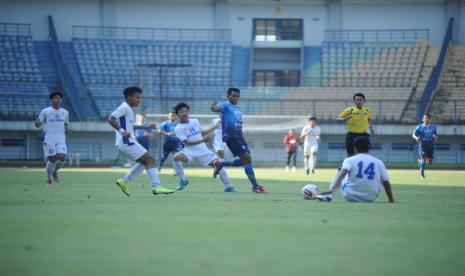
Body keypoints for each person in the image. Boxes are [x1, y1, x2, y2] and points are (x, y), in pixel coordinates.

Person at [107, 86, 174, 196]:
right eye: (137, 97)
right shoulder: (124, 107)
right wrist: (122, 131)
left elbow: (130, 126)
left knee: (145, 162)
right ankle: (156, 186)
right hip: (126, 141)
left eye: (140, 97)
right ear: (129, 97)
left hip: (126, 142)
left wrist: (146, 127)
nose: (139, 100)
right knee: (150, 160)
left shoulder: (128, 110)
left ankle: (124, 181)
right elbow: (110, 119)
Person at [211, 87, 267, 194]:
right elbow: (216, 108)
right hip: (231, 136)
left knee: (246, 160)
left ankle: (221, 164)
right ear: (228, 96)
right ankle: (255, 186)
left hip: (239, 136)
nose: (236, 98)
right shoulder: (225, 105)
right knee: (247, 158)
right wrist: (213, 107)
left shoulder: (236, 108)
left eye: (238, 96)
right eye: (233, 96)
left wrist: (242, 137)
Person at [172, 102, 237, 192]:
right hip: (189, 151)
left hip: (203, 151)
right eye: (181, 112)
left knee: (218, 165)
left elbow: (203, 133)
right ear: (177, 114)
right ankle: (183, 180)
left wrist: (215, 127)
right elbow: (187, 142)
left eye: (186, 111)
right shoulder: (178, 128)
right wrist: (202, 140)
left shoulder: (195, 121)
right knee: (176, 157)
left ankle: (229, 187)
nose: (184, 113)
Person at [316, 136, 394, 203]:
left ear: (354, 147)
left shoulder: (349, 160)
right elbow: (386, 182)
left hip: (350, 195)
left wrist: (331, 189)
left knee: (340, 171)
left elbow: (342, 174)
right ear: (369, 147)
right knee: (379, 179)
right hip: (371, 197)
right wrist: (391, 199)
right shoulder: (379, 162)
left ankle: (329, 195)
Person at [35, 91, 72, 187]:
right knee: (51, 159)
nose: (58, 100)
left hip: (60, 138)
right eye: (55, 98)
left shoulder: (65, 112)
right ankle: (48, 179)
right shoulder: (45, 111)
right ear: (52, 99)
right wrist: (37, 123)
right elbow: (38, 124)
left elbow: (66, 124)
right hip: (49, 138)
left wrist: (68, 129)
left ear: (61, 100)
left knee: (62, 157)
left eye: (59, 98)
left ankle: (55, 171)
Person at [337, 93, 374, 157]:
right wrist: (345, 119)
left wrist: (371, 128)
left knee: (364, 153)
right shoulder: (350, 109)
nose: (359, 101)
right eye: (357, 100)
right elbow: (338, 119)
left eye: (361, 100)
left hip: (363, 135)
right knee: (350, 153)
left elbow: (369, 119)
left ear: (364, 101)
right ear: (354, 101)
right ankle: (350, 166)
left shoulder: (367, 110)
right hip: (352, 135)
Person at [412, 113, 437, 178]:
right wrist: (416, 138)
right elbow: (413, 135)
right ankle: (421, 173)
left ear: (429, 119)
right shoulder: (419, 127)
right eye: (424, 118)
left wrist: (435, 137)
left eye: (427, 118)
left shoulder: (433, 127)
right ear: (423, 119)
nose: (426, 119)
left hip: (430, 144)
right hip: (423, 144)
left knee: (430, 161)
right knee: (424, 159)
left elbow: (435, 134)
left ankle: (420, 162)